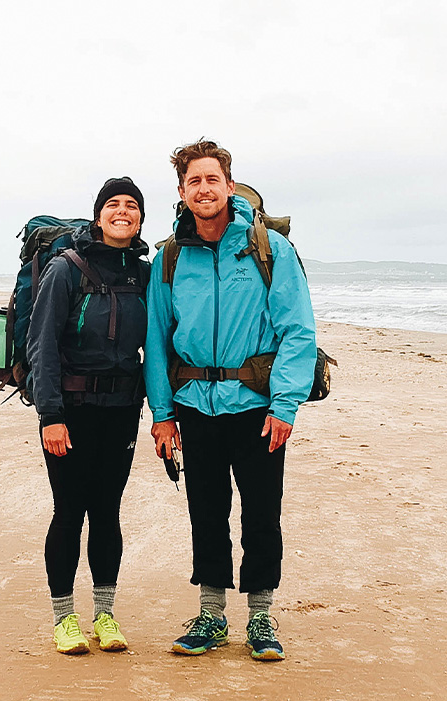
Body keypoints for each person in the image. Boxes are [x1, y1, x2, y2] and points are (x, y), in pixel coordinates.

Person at [144, 140, 317, 661]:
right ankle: (212, 614)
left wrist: (285, 405)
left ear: (228, 184)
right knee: (207, 510)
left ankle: (261, 615)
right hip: (195, 405)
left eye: (211, 179)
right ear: (182, 191)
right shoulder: (171, 256)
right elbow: (156, 337)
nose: (204, 189)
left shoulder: (267, 248)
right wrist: (162, 413)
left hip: (258, 406)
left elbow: (298, 331)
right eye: (193, 181)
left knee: (262, 511)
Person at [27, 177, 149, 655]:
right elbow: (42, 346)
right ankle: (64, 620)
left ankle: (104, 615)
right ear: (98, 216)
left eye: (132, 206)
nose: (123, 211)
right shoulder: (66, 269)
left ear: (140, 218)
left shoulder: (143, 273)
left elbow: (153, 347)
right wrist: (49, 415)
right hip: (70, 412)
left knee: (107, 512)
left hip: (122, 412)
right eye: (114, 205)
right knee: (68, 511)